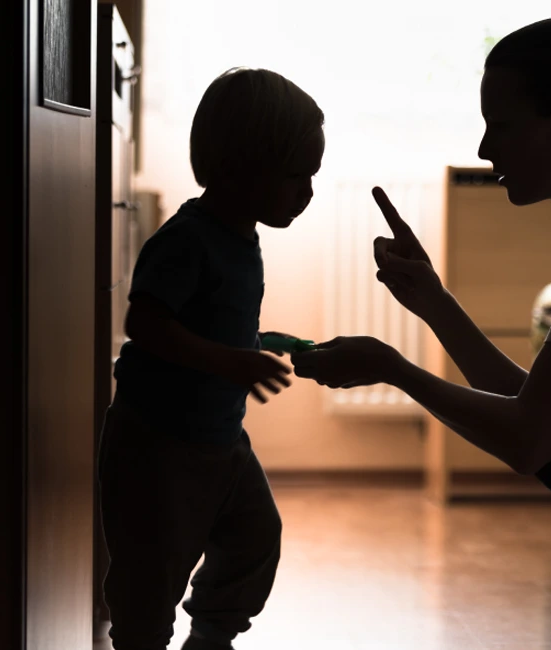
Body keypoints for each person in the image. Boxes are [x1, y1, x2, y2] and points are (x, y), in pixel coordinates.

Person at [292, 17, 551, 648]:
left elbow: (529, 442)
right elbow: (537, 412)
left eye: (503, 126)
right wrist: (433, 302)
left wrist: (395, 369)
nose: (487, 150)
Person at [98, 67, 325, 650]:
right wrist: (229, 362)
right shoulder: (186, 240)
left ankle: (212, 636)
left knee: (254, 538)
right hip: (158, 446)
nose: (308, 191)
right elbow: (144, 324)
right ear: (238, 168)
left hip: (219, 441)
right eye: (297, 175)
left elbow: (208, 320)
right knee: (151, 579)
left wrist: (257, 342)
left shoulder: (241, 237)